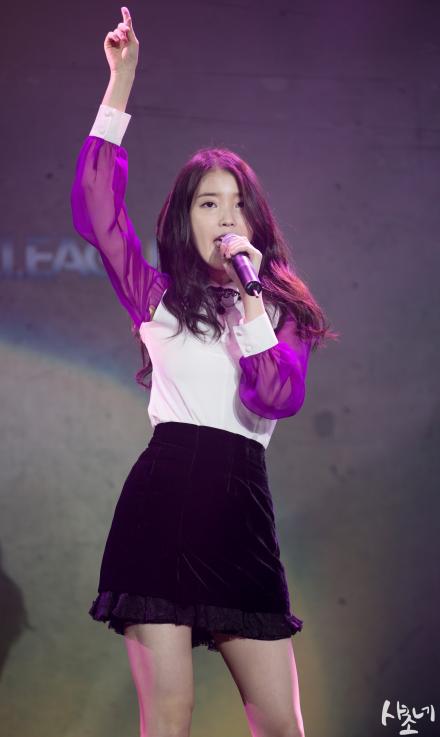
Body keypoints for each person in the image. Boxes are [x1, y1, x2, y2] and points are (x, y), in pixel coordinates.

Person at [71, 7, 338, 737]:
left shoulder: (281, 312)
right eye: (207, 203)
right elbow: (97, 209)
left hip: (241, 510)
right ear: (184, 220)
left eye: (237, 206)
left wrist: (252, 300)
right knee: (170, 714)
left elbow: (275, 394)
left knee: (281, 723)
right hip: (163, 502)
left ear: (256, 223)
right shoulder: (158, 299)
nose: (224, 217)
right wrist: (120, 82)